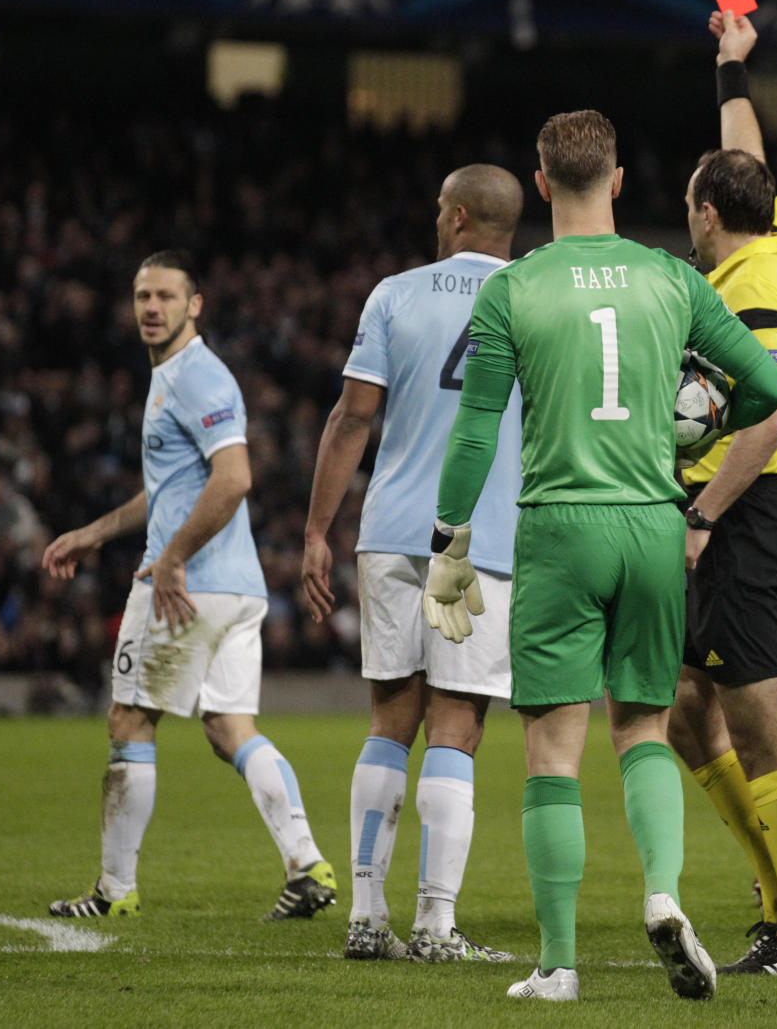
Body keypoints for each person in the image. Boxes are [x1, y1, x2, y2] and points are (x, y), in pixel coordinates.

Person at [423, 109, 777, 1003]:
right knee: (643, 730)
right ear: (619, 182)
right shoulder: (673, 276)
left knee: (553, 747)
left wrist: (449, 537)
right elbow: (772, 391)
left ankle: (556, 964)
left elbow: (475, 428)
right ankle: (663, 892)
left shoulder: (512, 288)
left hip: (561, 526)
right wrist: (702, 420)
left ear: (542, 185)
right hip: (657, 526)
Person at [44, 250, 335, 921]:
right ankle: (307, 864)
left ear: (194, 304)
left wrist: (172, 557)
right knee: (230, 726)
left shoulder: (195, 377)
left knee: (129, 720)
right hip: (238, 586)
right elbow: (177, 487)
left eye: (167, 296)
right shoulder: (178, 377)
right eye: (143, 295)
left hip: (186, 584)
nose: (152, 307)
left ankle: (114, 890)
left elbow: (234, 478)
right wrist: (96, 531)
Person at [301, 165, 524, 963]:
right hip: (485, 537)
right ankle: (434, 924)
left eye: (439, 207)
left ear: (458, 216)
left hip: (392, 530)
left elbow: (352, 416)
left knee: (389, 722)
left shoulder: (394, 292)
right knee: (456, 728)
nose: (435, 217)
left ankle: (367, 917)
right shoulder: (533, 297)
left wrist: (317, 529)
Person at [667, 9, 777, 975]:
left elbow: (766, 415)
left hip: (746, 514)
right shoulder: (759, 237)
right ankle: (773, 887)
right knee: (690, 710)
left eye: (690, 204)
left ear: (705, 215)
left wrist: (701, 515)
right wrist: (732, 69)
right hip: (729, 514)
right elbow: (747, 158)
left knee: (762, 723)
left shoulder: (755, 286)